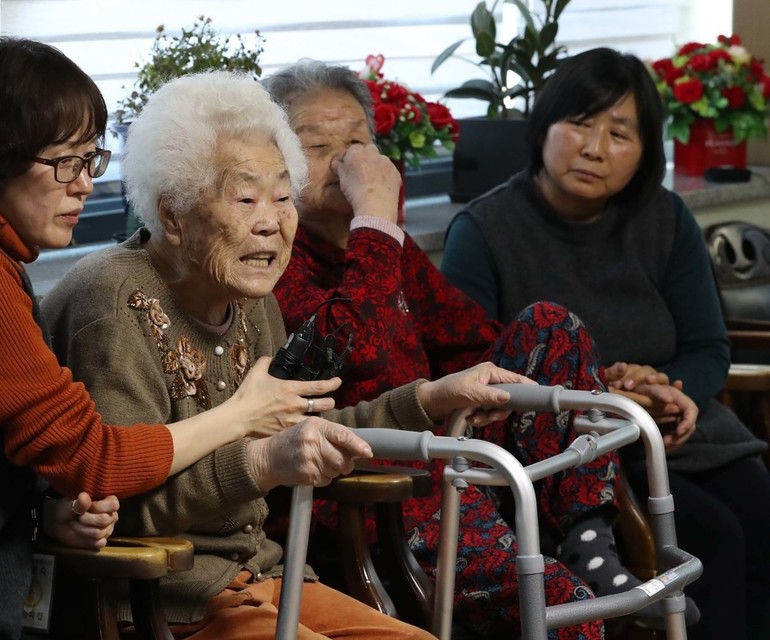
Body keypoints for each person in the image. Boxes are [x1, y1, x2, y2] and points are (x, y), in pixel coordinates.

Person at [0, 38, 352, 640]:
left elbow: (3, 458)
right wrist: (244, 415)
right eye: (65, 162)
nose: (84, 184)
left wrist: (54, 513)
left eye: (91, 159)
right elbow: (94, 459)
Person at [40, 70, 534, 640]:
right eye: (246, 198)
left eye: (282, 196)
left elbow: (303, 433)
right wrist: (259, 463)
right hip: (161, 602)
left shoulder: (250, 296)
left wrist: (429, 399)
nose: (272, 223)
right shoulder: (114, 303)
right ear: (173, 214)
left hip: (264, 577)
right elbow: (113, 506)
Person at [262, 58, 700, 638]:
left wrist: (591, 383)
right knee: (565, 611)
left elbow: (472, 343)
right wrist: (374, 217)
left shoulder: (388, 248)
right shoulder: (276, 258)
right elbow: (354, 351)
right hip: (375, 486)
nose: (347, 161)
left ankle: (591, 545)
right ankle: (574, 577)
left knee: (551, 324)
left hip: (448, 455)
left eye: (359, 143)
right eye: (318, 146)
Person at [441, 47, 770, 640]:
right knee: (713, 535)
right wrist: (604, 396)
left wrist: (667, 391)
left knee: (762, 515)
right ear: (543, 126)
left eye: (620, 132)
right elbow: (471, 373)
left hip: (676, 433)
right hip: (574, 455)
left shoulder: (665, 218)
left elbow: (707, 345)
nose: (594, 148)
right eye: (580, 123)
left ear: (645, 152)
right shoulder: (484, 231)